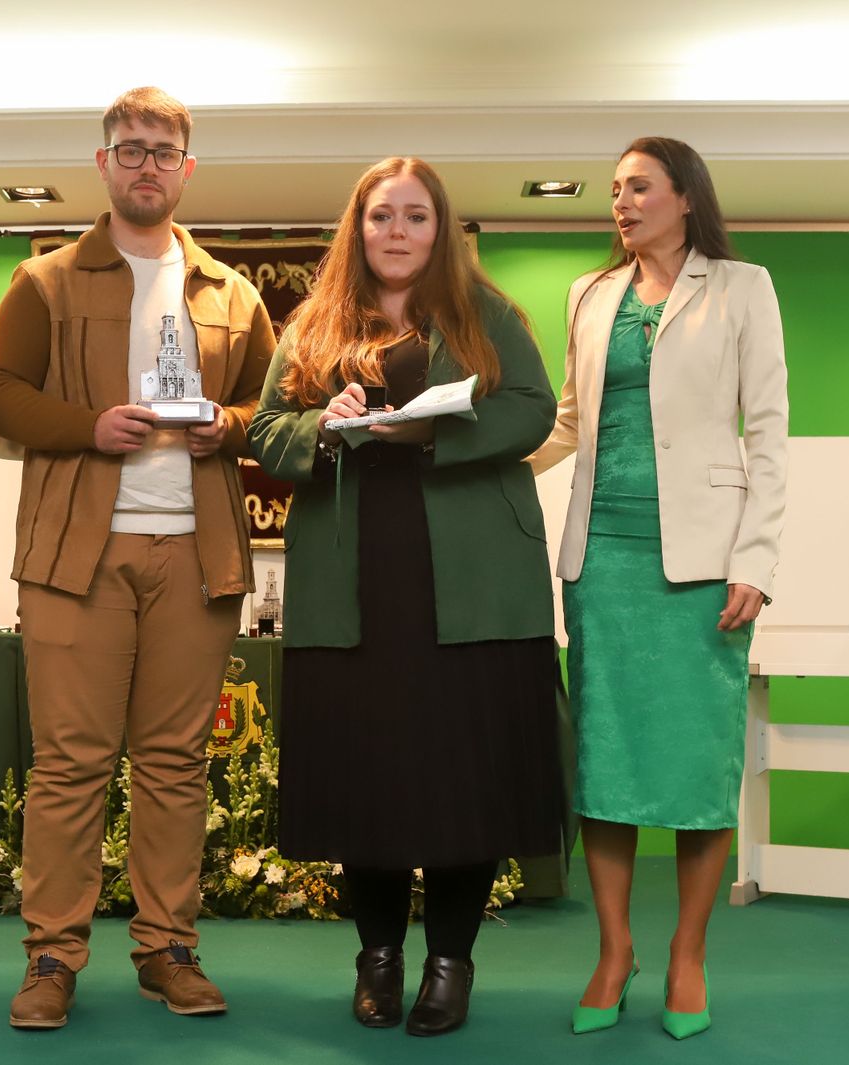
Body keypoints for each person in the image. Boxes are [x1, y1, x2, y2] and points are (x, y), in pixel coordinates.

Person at [0, 86, 276, 1029]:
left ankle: (168, 950)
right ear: (102, 164)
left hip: (198, 556)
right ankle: (52, 956)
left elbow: (272, 415)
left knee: (175, 764)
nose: (146, 164)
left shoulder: (234, 292)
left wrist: (222, 426)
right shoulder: (46, 281)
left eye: (163, 151)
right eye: (130, 149)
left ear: (187, 171)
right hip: (76, 555)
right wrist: (86, 427)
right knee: (69, 763)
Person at [248, 157, 565, 1037]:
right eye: (382, 215)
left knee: (468, 780)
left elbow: (535, 409)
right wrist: (326, 423)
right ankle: (379, 958)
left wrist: (431, 429)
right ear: (358, 227)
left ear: (441, 228)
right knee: (370, 783)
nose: (397, 231)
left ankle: (451, 962)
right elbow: (268, 433)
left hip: (471, 587)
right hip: (354, 586)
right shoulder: (312, 325)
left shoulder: (485, 312)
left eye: (416, 216)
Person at [529, 136, 788, 1040]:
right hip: (602, 561)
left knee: (694, 762)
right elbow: (569, 420)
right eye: (614, 191)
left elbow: (770, 432)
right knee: (606, 760)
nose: (622, 203)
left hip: (705, 565)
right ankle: (612, 949)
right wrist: (479, 464)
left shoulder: (743, 287)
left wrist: (757, 560)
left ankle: (687, 951)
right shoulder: (588, 295)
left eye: (639, 187)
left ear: (685, 196)